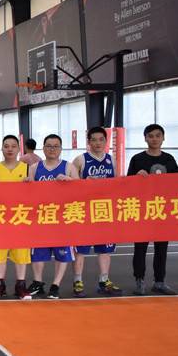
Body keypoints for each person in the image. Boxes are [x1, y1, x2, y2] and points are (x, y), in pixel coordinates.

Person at [129, 124, 178, 295]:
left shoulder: (169, 159)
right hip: (142, 210)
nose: (154, 139)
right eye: (150, 136)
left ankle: (159, 282)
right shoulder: (137, 159)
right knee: (140, 248)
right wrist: (136, 177)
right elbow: (126, 185)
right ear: (145, 138)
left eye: (158, 136)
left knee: (161, 248)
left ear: (163, 138)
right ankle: (139, 281)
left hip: (162, 210)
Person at [71, 127, 124, 297]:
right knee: (81, 250)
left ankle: (104, 280)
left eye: (101, 139)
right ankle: (78, 281)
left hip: (104, 211)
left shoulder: (111, 160)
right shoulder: (80, 160)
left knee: (105, 249)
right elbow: (70, 185)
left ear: (106, 141)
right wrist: (84, 183)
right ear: (88, 142)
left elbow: (117, 184)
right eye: (94, 139)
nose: (98, 143)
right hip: (84, 211)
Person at [27, 134, 78, 299]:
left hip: (63, 218)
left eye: (56, 146)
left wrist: (69, 180)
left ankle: (56, 285)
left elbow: (81, 190)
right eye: (49, 146)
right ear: (43, 148)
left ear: (61, 149)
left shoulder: (68, 167)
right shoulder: (34, 167)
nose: (52, 149)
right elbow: (28, 193)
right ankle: (38, 282)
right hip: (41, 217)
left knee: (62, 253)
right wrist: (26, 183)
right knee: (37, 252)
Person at [0, 135, 33, 300]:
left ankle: (21, 285)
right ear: (2, 148)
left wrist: (30, 184)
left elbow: (35, 194)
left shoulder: (27, 169)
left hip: (21, 216)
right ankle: (0, 284)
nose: (10, 149)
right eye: (6, 146)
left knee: (21, 252)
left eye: (13, 146)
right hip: (0, 217)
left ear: (19, 149)